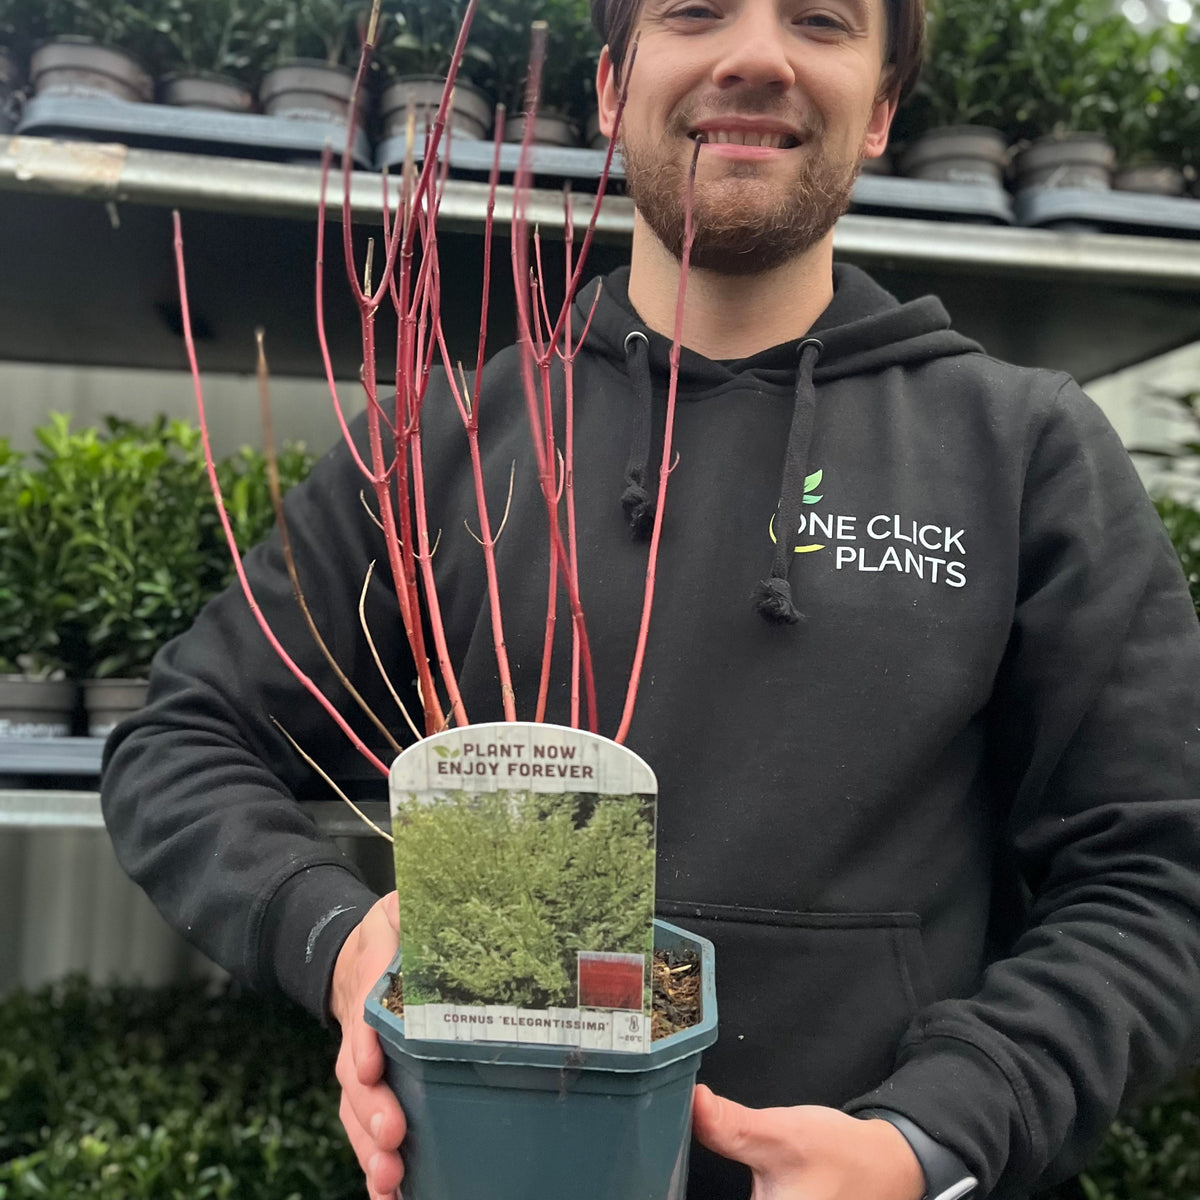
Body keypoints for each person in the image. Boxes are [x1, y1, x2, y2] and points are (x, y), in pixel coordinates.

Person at [101, 0, 1200, 1197]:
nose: (756, 55)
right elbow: (183, 738)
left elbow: (1156, 877)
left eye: (821, 21)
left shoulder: (1023, 452)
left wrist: (932, 1138)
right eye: (696, 11)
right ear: (616, 89)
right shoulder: (446, 444)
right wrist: (336, 934)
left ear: (882, 108)